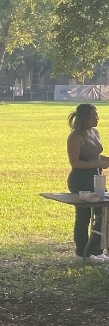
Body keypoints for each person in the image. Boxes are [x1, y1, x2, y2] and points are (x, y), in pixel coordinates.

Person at [65, 103, 109, 265]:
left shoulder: (94, 132)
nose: (97, 118)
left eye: (96, 115)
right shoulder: (76, 136)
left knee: (103, 212)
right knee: (83, 215)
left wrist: (104, 160)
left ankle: (95, 250)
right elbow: (75, 162)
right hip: (80, 179)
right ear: (84, 118)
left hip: (96, 178)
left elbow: (95, 156)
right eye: (93, 116)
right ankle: (81, 252)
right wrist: (97, 165)